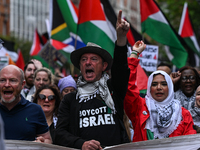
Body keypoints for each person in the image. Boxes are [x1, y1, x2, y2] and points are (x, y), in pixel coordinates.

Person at [54, 10, 130, 149]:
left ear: (104, 66)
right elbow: (60, 134)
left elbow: (121, 69)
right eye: (84, 60)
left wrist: (121, 38)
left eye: (94, 59)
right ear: (80, 66)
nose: (88, 63)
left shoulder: (113, 90)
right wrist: (81, 144)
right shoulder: (70, 100)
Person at [124, 41, 196, 142]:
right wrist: (134, 54)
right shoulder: (139, 107)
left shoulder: (183, 114)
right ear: (149, 88)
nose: (159, 87)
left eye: (164, 84)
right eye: (154, 84)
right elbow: (128, 86)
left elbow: (190, 143)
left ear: (170, 87)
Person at [0, 65, 52, 143]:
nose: (7, 85)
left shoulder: (35, 110)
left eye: (12, 80)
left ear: (22, 84)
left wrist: (41, 142)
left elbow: (47, 139)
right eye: (2, 80)